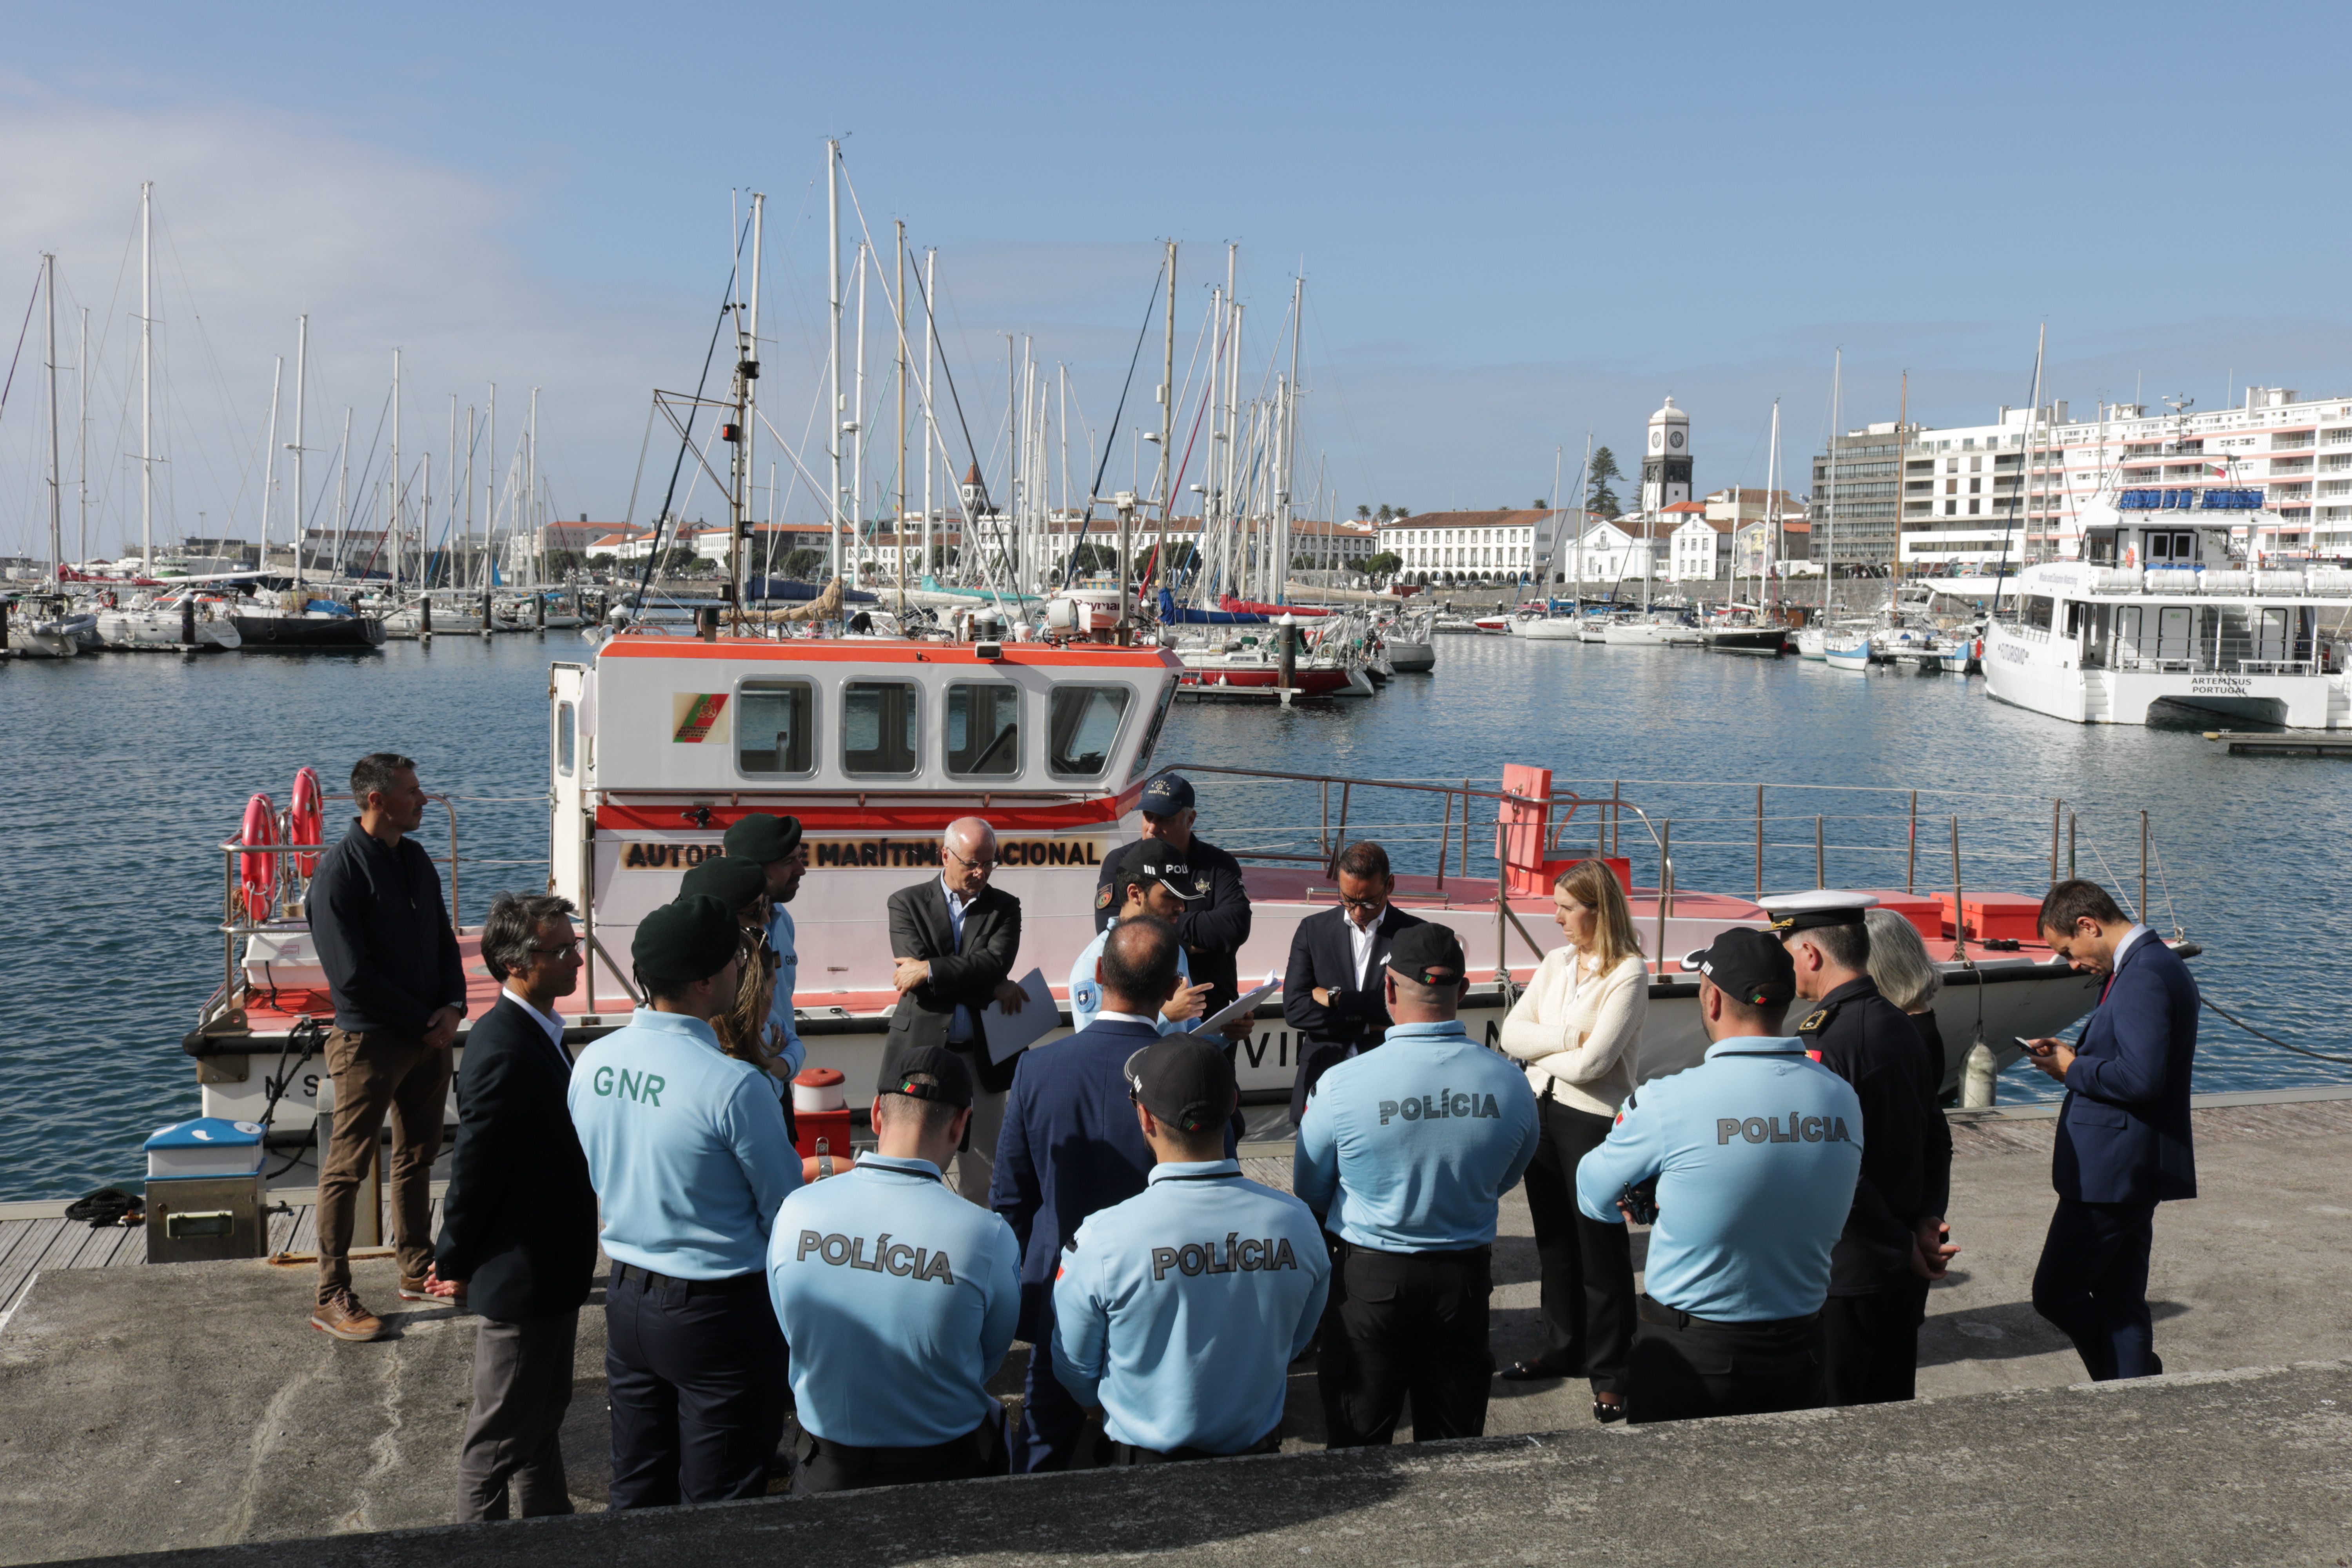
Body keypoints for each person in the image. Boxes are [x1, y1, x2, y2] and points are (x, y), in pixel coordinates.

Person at [1575, 929, 1865, 1425]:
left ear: (1711, 1000)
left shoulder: (1668, 1100)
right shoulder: (1841, 1097)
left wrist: (1657, 1188)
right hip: (1802, 1347)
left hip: (1692, 1356)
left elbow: (1592, 1194)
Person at [568, 895, 801, 1509]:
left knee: (637, 1485)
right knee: (721, 1499)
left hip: (626, 1301)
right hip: (717, 1313)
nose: (740, 972)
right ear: (704, 982)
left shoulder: (593, 1061)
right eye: (732, 962)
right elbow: (785, 1211)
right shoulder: (733, 1085)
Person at [991, 917, 1228, 1472]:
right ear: (1175, 987)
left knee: (1044, 1437)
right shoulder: (1190, 1075)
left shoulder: (1038, 1068)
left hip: (1057, 1287)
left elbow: (1010, 1197)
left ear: (1099, 973)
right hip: (1163, 1289)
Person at [1294, 923, 1541, 1446]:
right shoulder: (1510, 1082)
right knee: (1452, 1446)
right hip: (1464, 1278)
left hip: (1369, 1281)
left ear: (1388, 989)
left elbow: (1310, 1188)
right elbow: (1510, 1174)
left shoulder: (1342, 1084)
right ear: (1464, 992)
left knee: (1358, 1446)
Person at [1052, 1035, 1329, 1464]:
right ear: (1233, 1103)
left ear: (1144, 1117)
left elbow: (1074, 1367)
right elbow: (1295, 1341)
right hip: (1260, 1459)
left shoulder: (1102, 1239)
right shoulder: (1298, 1223)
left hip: (1143, 1461)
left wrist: (1103, 1405)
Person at [766, 1047, 1021, 1493]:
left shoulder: (796, 1211)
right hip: (942, 1468)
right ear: (961, 1125)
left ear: (879, 1114)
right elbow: (988, 1355)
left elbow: (793, 1327)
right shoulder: (987, 1236)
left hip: (823, 1467)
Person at [428, 893, 598, 1521]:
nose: (576, 960)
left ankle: (551, 1534)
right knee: (496, 1442)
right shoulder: (503, 1047)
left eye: (574, 946)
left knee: (542, 1422)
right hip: (522, 1278)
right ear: (518, 963)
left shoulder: (538, 1033)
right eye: (563, 951)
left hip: (550, 1271)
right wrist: (454, 1258)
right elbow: (475, 1170)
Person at [1760, 890, 1955, 1407]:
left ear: (1811, 956)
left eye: (1785, 949)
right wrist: (1926, 1221)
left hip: (1846, 1275)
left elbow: (1833, 1166)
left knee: (1836, 1425)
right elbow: (1937, 1136)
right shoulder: (1904, 1023)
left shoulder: (1822, 1040)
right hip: (1901, 1271)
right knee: (1890, 1411)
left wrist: (1900, 1244)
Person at [304, 751, 468, 1342]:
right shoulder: (339, 874)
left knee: (418, 1156)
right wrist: (424, 1019)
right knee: (347, 1169)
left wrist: (453, 1006)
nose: (423, 799)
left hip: (428, 1035)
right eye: (413, 791)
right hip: (371, 1041)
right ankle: (331, 1293)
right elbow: (350, 978)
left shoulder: (417, 859)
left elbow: (445, 939)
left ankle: (416, 1267)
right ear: (377, 800)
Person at [2023, 878, 2198, 1382]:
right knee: (2121, 1300)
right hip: (2131, 1165)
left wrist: (2070, 1068)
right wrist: (2075, 1055)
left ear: (2088, 925)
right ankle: (2132, 1385)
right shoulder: (2153, 965)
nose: (2072, 964)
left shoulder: (2144, 974)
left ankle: (2132, 1378)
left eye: (2068, 951)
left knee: (2056, 1293)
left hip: (2114, 1171)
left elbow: (2142, 1080)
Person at [1494, 859, 1649, 1422]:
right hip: (1542, 1110)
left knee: (1600, 1249)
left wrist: (1544, 1046)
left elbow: (1596, 1063)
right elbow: (1512, 1031)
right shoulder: (1557, 962)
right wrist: (1561, 1037)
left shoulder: (1628, 973)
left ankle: (1612, 1369)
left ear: (1597, 910)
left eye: (1565, 907)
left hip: (1592, 1121)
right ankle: (1563, 1347)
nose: (1555, 917)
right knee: (1554, 1243)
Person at [886, 816, 1026, 1202]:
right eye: (971, 863)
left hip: (981, 1057)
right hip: (921, 1053)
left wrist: (931, 970)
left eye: (989, 863)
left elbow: (995, 964)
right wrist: (987, 987)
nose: (981, 872)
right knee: (908, 1160)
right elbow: (913, 978)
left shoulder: (1005, 907)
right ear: (945, 855)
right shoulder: (905, 902)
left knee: (986, 1170)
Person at [1283, 841, 1427, 1124]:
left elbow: (1413, 1009)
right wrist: (1368, 1023)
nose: (1358, 911)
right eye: (1348, 900)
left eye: (1369, 901)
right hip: (1320, 1077)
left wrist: (1337, 999)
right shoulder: (1312, 930)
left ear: (1391, 885)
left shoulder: (1415, 935)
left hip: (1389, 1082)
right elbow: (1295, 1009)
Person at [1094, 772, 1252, 1030]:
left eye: (1164, 820)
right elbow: (1111, 930)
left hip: (1213, 1015)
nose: (1152, 828)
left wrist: (1155, 926)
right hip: (1149, 1017)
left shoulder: (1219, 865)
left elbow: (1234, 927)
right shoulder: (1120, 862)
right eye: (1148, 817)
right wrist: (1193, 945)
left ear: (1190, 819)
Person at [1068, 844, 1216, 1034]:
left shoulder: (1175, 951)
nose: (1181, 907)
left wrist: (1224, 1036)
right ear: (1135, 894)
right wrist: (1165, 1017)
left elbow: (1190, 1027)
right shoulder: (1091, 964)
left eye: (1182, 898)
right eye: (1170, 896)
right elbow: (1093, 1049)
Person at [723, 812, 809, 1082]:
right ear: (752, 871)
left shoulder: (783, 920)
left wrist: (783, 1065)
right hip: (738, 1080)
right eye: (788, 862)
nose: (801, 870)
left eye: (799, 857)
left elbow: (781, 1010)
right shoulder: (720, 936)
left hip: (776, 1079)